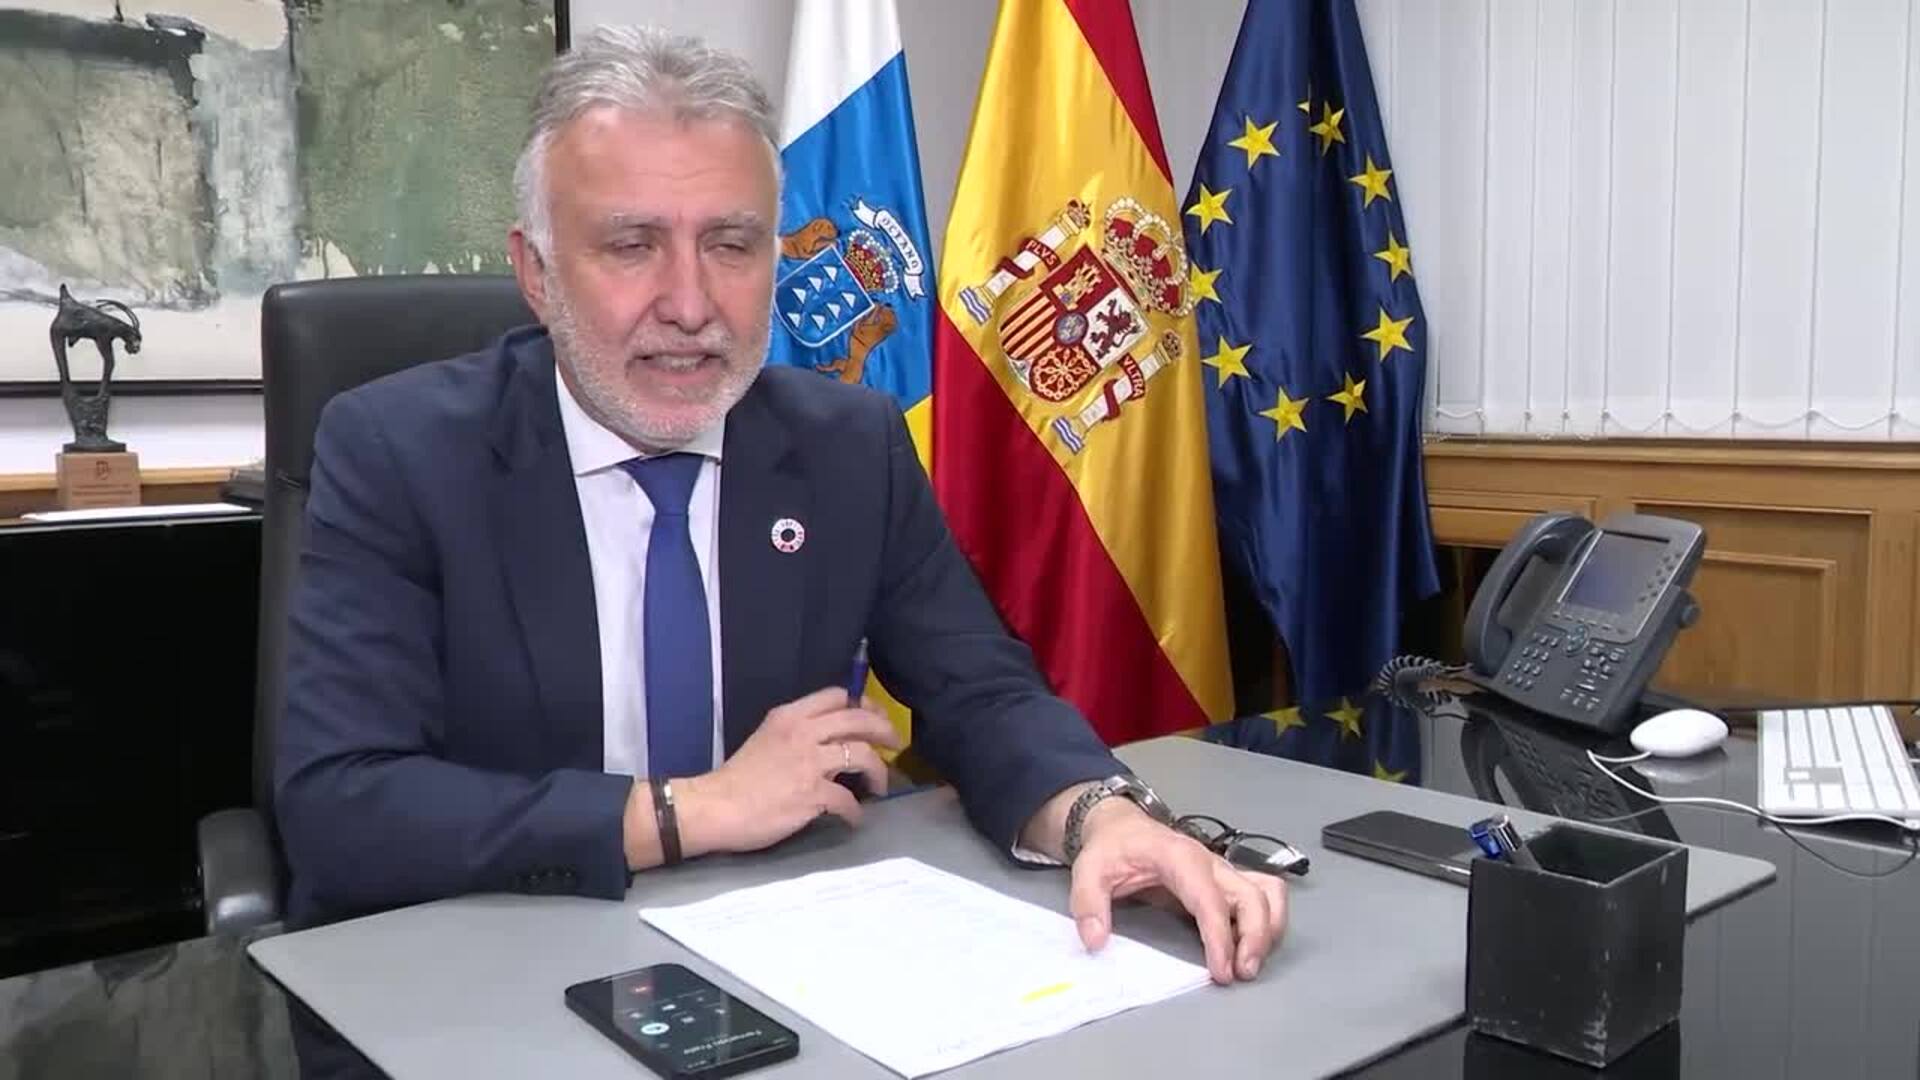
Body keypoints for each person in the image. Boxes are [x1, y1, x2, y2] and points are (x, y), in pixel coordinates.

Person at [274, 25, 1285, 1078]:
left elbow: (981, 693)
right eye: (631, 245)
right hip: (476, 982)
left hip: (776, 973)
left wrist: (1099, 816)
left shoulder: (847, 445)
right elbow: (342, 805)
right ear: (536, 271)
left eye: (732, 244)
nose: (690, 305)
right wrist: (684, 813)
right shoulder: (398, 451)